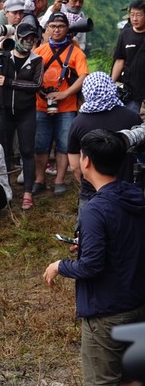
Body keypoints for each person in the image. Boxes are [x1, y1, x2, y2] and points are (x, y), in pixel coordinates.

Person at [43, 129, 145, 385]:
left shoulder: (95, 210)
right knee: (133, 379)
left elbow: (91, 267)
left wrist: (60, 265)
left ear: (86, 161)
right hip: (138, 303)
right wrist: (89, 243)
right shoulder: (135, 197)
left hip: (107, 312)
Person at [0, 22, 43, 209]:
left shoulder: (36, 59)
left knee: (27, 151)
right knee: (4, 151)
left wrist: (10, 82)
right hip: (3, 109)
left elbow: (36, 85)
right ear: (16, 37)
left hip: (26, 111)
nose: (29, 41)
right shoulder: (4, 56)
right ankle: (5, 191)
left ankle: (27, 193)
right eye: (25, 38)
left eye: (32, 38)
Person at [67, 72, 141, 212]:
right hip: (128, 190)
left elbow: (75, 165)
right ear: (111, 87)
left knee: (90, 230)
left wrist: (88, 182)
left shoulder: (78, 122)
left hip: (92, 193)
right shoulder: (132, 117)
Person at [33, 12, 88, 196]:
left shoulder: (76, 52)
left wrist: (65, 93)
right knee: (40, 145)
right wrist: (39, 90)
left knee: (64, 145)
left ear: (67, 29)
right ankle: (39, 179)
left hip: (67, 106)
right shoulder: (39, 51)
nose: (56, 30)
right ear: (47, 28)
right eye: (53, 26)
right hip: (41, 104)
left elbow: (83, 76)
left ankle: (59, 180)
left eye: (61, 27)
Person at [111, 0, 145, 117]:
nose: (134, 18)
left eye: (139, 15)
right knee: (132, 124)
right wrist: (110, 83)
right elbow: (120, 60)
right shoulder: (125, 34)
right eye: (132, 15)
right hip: (131, 91)